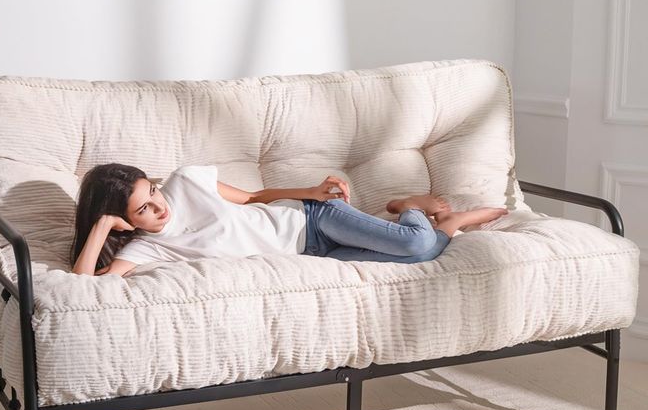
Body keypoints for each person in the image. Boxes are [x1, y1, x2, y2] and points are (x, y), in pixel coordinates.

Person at [70, 163, 508, 277]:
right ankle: (451, 224)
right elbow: (85, 283)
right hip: (312, 256)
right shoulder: (148, 248)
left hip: (314, 220)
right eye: (142, 209)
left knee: (413, 244)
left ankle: (409, 205)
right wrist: (101, 228)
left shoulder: (187, 181)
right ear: (123, 221)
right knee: (423, 254)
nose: (158, 206)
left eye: (151, 191)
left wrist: (313, 193)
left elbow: (257, 197)